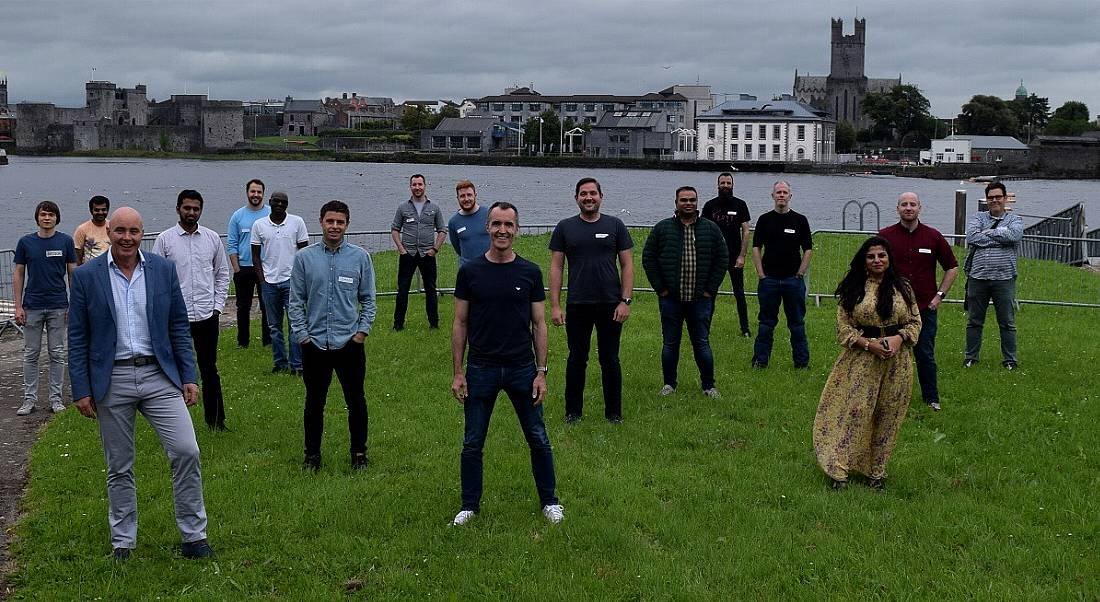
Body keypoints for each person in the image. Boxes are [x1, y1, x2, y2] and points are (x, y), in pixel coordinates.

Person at [68, 207, 213, 561]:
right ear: (109, 233)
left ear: (142, 233)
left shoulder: (162, 271)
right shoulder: (88, 277)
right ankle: (123, 541)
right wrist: (81, 388)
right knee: (119, 465)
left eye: (134, 231)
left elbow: (178, 325)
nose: (127, 238)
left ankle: (194, 536)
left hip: (159, 375)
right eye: (120, 231)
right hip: (111, 378)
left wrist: (188, 375)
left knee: (186, 451)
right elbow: (77, 336)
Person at [450, 201, 563, 526]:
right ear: (487, 228)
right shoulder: (470, 271)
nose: (502, 230)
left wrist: (541, 372)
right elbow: (460, 322)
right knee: (473, 441)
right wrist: (458, 372)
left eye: (508, 225)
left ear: (517, 229)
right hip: (481, 368)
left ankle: (550, 501)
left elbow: (539, 324)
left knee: (538, 437)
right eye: (496, 224)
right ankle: (469, 505)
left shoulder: (529, 271)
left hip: (522, 369)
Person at [813, 236, 921, 491]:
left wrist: (899, 338)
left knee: (888, 415)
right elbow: (843, 328)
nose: (877, 260)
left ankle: (877, 473)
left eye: (881, 256)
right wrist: (868, 344)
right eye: (871, 256)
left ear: (889, 258)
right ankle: (839, 470)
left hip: (897, 362)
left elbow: (915, 321)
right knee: (855, 412)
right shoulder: (854, 287)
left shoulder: (903, 287)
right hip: (861, 361)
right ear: (864, 260)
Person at [289, 200, 376, 472]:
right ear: (321, 222)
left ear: (347, 224)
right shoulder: (305, 258)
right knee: (314, 403)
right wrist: (302, 336)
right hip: (314, 344)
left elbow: (369, 300)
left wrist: (361, 333)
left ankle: (359, 454)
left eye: (340, 222)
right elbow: (295, 302)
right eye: (330, 221)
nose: (334, 226)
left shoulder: (360, 258)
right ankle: (312, 456)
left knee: (356, 402)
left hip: (349, 343)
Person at [549, 177, 634, 424]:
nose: (589, 198)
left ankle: (614, 413)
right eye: (583, 194)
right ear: (576, 198)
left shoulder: (615, 225)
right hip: (578, 304)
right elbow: (556, 267)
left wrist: (625, 301)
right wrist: (555, 305)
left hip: (611, 304)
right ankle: (573, 412)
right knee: (577, 358)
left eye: (593, 193)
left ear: (601, 196)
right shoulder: (565, 227)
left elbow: (627, 264)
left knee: (610, 359)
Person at [152, 190, 231, 430]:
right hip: (177, 319)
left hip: (207, 315)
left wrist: (218, 307)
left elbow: (222, 273)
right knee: (174, 371)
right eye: (187, 208)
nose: (191, 213)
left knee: (209, 369)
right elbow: (156, 280)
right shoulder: (165, 240)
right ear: (178, 209)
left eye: (196, 209)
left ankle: (216, 421)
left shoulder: (212, 238)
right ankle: (176, 424)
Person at [642, 186, 728, 398]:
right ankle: (669, 384)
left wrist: (710, 290)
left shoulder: (710, 228)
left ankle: (709, 385)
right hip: (671, 299)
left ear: (697, 203)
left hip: (700, 299)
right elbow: (648, 258)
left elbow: (722, 258)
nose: (688, 203)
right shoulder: (663, 228)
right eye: (683, 200)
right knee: (670, 344)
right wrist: (660, 288)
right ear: (676, 203)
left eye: (692, 200)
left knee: (702, 343)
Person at [879, 192, 959, 411]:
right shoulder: (885, 236)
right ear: (897, 209)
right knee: (888, 352)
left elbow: (952, 267)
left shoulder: (933, 237)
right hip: (893, 308)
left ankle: (931, 398)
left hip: (924, 308)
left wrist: (939, 297)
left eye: (912, 204)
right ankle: (887, 399)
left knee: (925, 353)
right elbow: (872, 267)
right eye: (904, 204)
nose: (908, 208)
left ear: (919, 208)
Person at [14, 200, 76, 415]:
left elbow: (72, 274)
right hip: (32, 306)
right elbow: (19, 273)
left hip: (59, 305)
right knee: (31, 354)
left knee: (57, 354)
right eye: (43, 214)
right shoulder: (26, 243)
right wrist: (18, 306)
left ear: (57, 217)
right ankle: (29, 400)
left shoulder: (66, 242)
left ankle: (55, 399)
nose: (47, 218)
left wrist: (73, 303)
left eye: (51, 214)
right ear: (37, 217)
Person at [750, 181, 813, 369]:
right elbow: (756, 247)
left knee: (797, 324)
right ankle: (760, 361)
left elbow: (808, 249)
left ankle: (801, 363)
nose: (782, 195)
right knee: (766, 324)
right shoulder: (764, 220)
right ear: (772, 196)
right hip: (769, 280)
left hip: (792, 281)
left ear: (790, 196)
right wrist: (761, 274)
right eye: (778, 192)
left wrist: (800, 272)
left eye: (785, 192)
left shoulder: (800, 220)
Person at [964, 182, 1023, 370]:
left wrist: (988, 233)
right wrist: (1000, 236)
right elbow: (972, 237)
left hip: (1004, 278)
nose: (995, 200)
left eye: (998, 197)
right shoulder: (978, 218)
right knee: (974, 321)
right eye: (991, 197)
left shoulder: (1015, 220)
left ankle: (1010, 360)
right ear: (986, 200)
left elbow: (1014, 236)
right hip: (978, 277)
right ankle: (971, 357)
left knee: (1007, 321)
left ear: (1005, 199)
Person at [251, 191, 310, 375]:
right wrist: (261, 279)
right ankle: (280, 363)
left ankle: (297, 365)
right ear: (270, 202)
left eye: (283, 202)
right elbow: (255, 255)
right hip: (269, 282)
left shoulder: (297, 222)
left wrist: (302, 278)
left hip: (291, 281)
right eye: (276, 201)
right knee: (274, 327)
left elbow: (304, 252)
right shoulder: (259, 225)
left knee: (295, 324)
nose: (279, 204)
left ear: (287, 204)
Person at [390, 173, 446, 330]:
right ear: (410, 187)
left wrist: (435, 249)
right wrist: (401, 249)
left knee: (430, 289)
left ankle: (434, 324)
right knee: (403, 289)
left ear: (425, 186)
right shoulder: (403, 207)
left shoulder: (434, 207)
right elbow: (395, 229)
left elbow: (442, 230)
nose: (417, 187)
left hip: (427, 254)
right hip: (408, 254)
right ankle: (398, 325)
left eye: (420, 184)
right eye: (414, 185)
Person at [701, 172, 752, 337]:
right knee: (710, 293)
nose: (725, 186)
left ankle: (745, 329)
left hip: (734, 256)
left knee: (739, 293)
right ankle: (704, 329)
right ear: (718, 185)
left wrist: (742, 255)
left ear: (732, 185)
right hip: (713, 257)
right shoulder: (709, 206)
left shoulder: (740, 205)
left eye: (728, 183)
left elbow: (745, 230)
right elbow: (703, 230)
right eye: (722, 183)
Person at [227, 178, 271, 348]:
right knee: (243, 307)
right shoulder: (238, 216)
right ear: (247, 193)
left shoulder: (270, 214)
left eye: (259, 192)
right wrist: (236, 268)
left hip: (265, 267)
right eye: (253, 191)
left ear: (263, 194)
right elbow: (232, 243)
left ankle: (269, 341)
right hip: (243, 268)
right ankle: (243, 341)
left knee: (267, 306)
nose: (256, 195)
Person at [447, 179, 490, 266]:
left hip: (490, 267)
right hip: (467, 271)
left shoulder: (489, 214)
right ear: (457, 198)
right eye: (462, 196)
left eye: (469, 195)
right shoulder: (453, 222)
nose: (466, 199)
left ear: (475, 195)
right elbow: (457, 248)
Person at [73, 195, 111, 265]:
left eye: (103, 210)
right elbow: (78, 258)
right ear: (91, 211)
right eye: (96, 210)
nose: (100, 212)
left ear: (107, 210)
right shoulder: (82, 229)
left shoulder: (113, 227)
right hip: (89, 272)